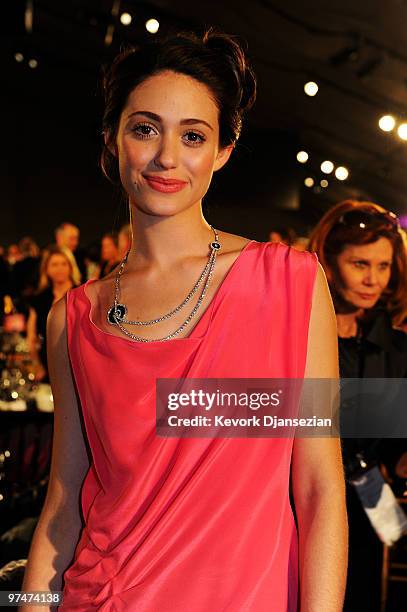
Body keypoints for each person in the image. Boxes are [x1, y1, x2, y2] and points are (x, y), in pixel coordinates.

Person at [21, 30, 347, 611]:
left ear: (221, 151)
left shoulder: (290, 283)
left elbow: (319, 484)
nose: (167, 157)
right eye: (145, 129)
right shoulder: (72, 316)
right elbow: (65, 501)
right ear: (111, 140)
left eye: (193, 136)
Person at [308, 199, 407, 612]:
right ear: (329, 263)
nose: (373, 280)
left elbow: (392, 439)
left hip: (369, 504)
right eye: (360, 264)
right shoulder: (300, 335)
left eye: (383, 266)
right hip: (304, 504)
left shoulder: (395, 347)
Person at [26, 247, 76, 382]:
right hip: (48, 362)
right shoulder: (39, 299)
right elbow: (31, 336)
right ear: (46, 269)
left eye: (63, 264)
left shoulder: (83, 295)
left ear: (71, 267)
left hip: (79, 363)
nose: (59, 268)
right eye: (54, 264)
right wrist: (37, 364)